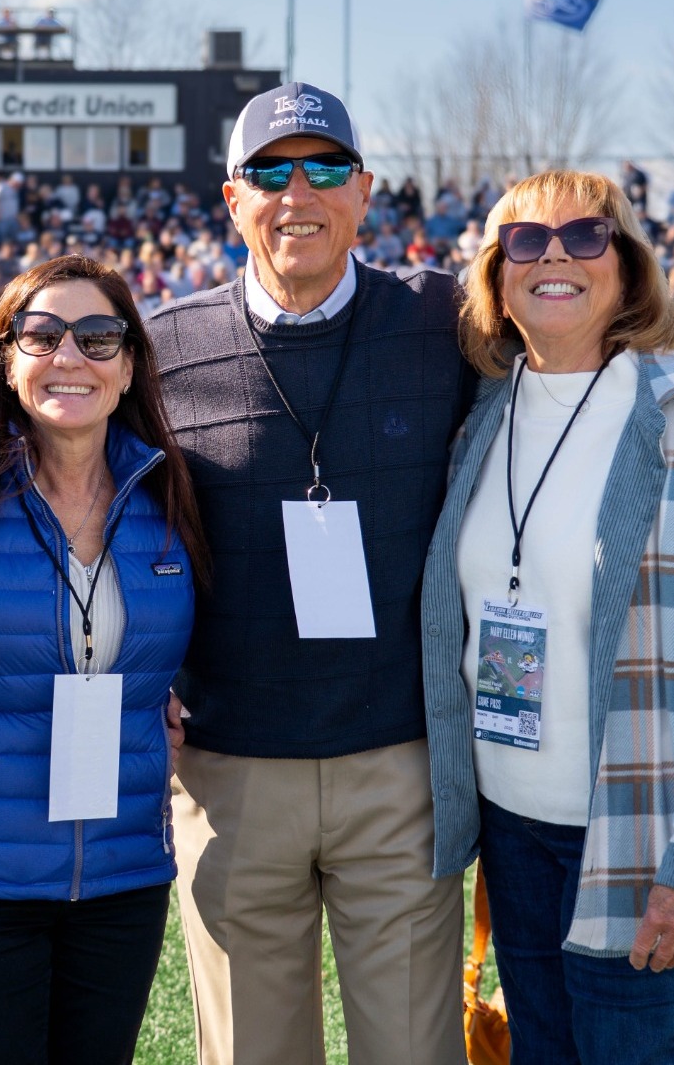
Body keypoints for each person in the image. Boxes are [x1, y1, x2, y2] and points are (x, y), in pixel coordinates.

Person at [148, 81, 477, 1065]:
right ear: (232, 198)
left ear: (365, 190)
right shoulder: (164, 348)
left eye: (325, 167)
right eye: (271, 171)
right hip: (231, 769)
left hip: (399, 766)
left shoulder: (445, 323)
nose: (301, 191)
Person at [423, 169, 674, 1064]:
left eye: (586, 237)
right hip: (510, 829)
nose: (555, 258)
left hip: (636, 834)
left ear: (626, 267)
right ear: (496, 277)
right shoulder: (480, 418)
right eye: (525, 242)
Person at [0, 254, 204, 1063]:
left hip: (124, 872)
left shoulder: (171, 492)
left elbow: (206, 645)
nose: (70, 357)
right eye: (42, 336)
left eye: (99, 336)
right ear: (4, 358)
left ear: (131, 362)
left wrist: (177, 705)